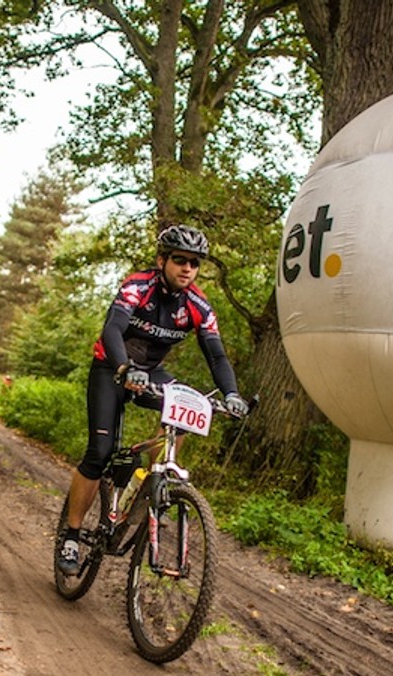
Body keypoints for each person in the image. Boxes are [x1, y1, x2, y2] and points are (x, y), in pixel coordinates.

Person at [56, 224, 249, 575]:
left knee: (189, 409)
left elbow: (217, 357)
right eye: (179, 260)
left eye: (195, 262)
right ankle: (70, 536)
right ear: (162, 260)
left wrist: (232, 394)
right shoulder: (137, 287)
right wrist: (125, 368)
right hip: (111, 368)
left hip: (152, 373)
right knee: (98, 453)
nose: (187, 268)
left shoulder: (198, 306)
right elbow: (112, 329)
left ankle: (147, 475)